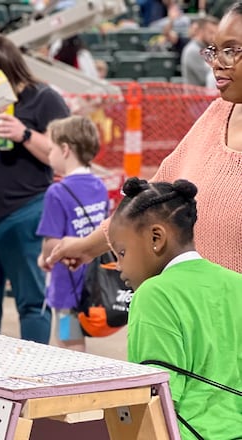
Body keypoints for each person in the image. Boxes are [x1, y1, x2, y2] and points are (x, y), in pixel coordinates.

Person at [47, 1, 242, 275]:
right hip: (202, 312)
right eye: (214, 51)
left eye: (231, 51)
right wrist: (88, 247)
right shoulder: (218, 114)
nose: (218, 63)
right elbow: (155, 197)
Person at [108, 178, 242, 440]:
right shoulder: (237, 283)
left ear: (156, 238)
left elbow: (154, 401)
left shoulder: (153, 294)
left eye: (122, 253)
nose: (119, 267)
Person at [0, 34, 71, 344]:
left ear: (4, 67)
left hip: (23, 214)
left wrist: (24, 134)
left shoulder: (43, 98)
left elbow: (62, 155)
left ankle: (33, 377)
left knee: (32, 303)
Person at [36, 116, 108, 352]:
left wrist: (43, 258)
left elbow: (51, 245)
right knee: (78, 339)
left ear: (65, 149)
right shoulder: (99, 186)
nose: (49, 155)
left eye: (51, 149)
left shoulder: (57, 192)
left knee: (69, 341)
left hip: (67, 285)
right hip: (94, 281)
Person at [181, 16, 219, 87]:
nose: (214, 37)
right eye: (211, 33)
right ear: (201, 31)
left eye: (216, 33)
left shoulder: (206, 49)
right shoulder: (192, 50)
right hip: (194, 97)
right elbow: (209, 79)